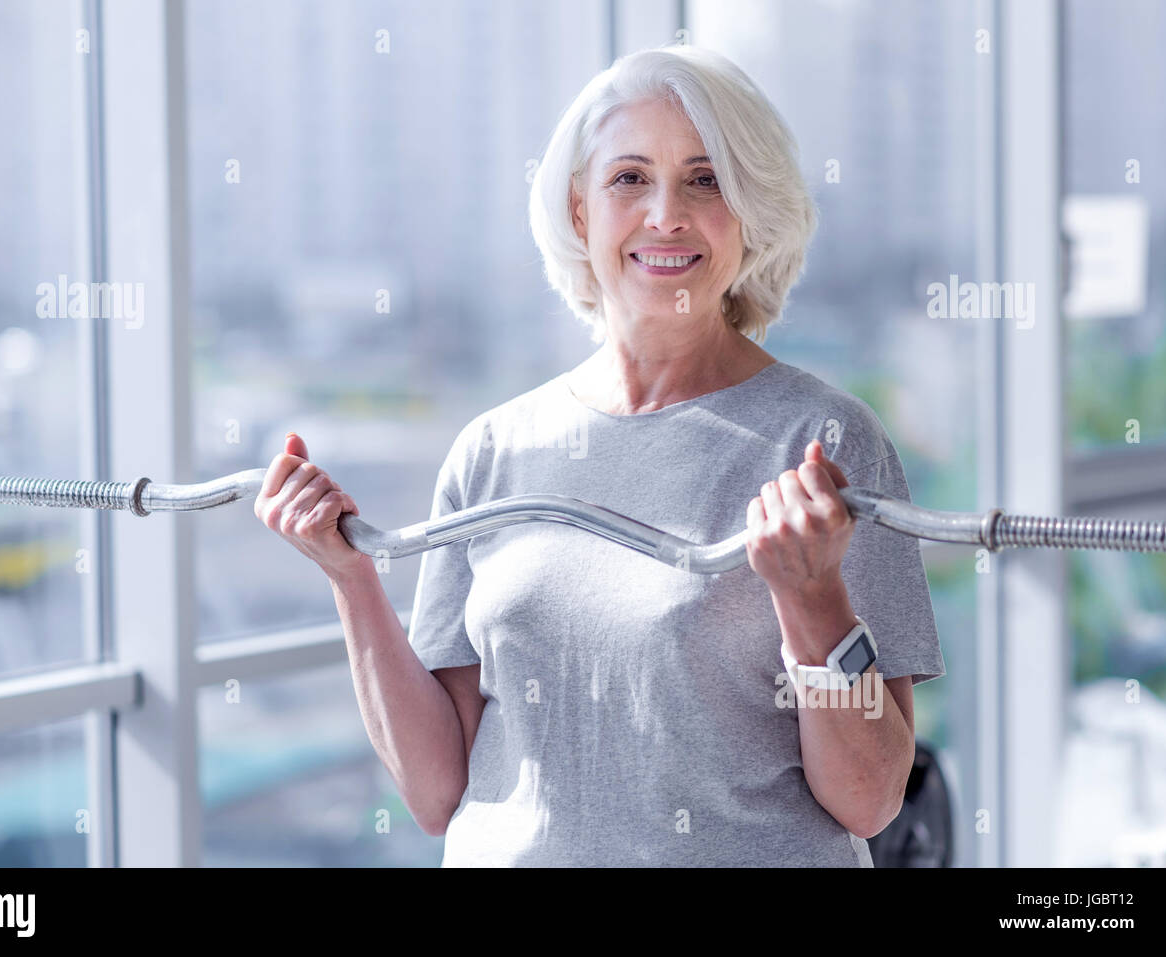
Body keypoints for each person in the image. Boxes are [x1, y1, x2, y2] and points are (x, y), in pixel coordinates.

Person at [254, 45, 945, 866]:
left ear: (750, 212)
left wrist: (813, 597)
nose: (665, 215)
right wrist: (350, 578)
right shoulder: (493, 450)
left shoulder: (825, 444)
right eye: (628, 179)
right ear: (581, 210)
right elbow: (438, 789)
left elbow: (867, 798)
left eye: (705, 178)